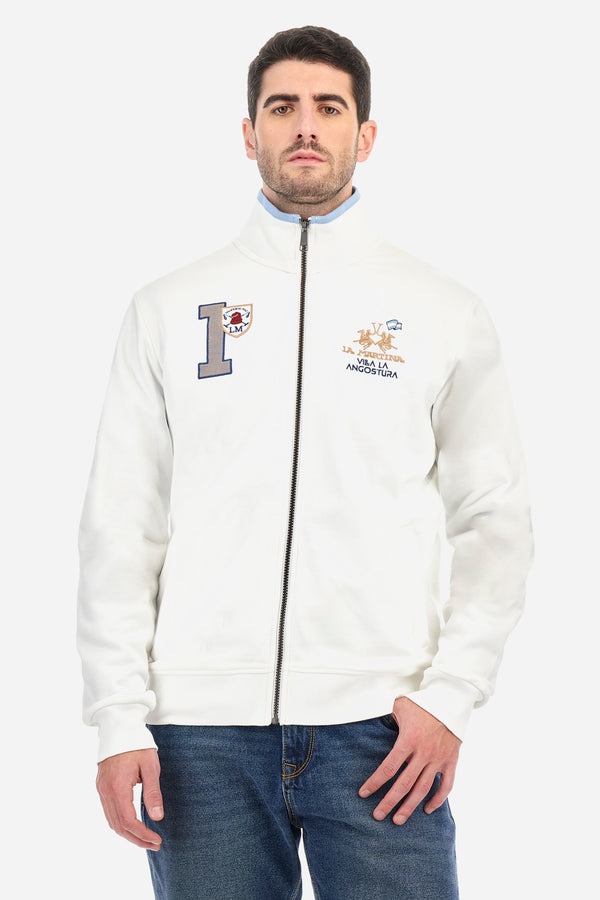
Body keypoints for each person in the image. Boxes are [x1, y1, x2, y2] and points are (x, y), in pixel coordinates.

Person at [77, 24, 533, 900]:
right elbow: (121, 524)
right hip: (198, 736)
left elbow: (496, 520)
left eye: (329, 107)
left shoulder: (441, 310)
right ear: (249, 132)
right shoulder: (169, 308)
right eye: (282, 107)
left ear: (367, 134)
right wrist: (117, 718)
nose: (306, 126)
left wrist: (451, 696)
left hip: (382, 731)